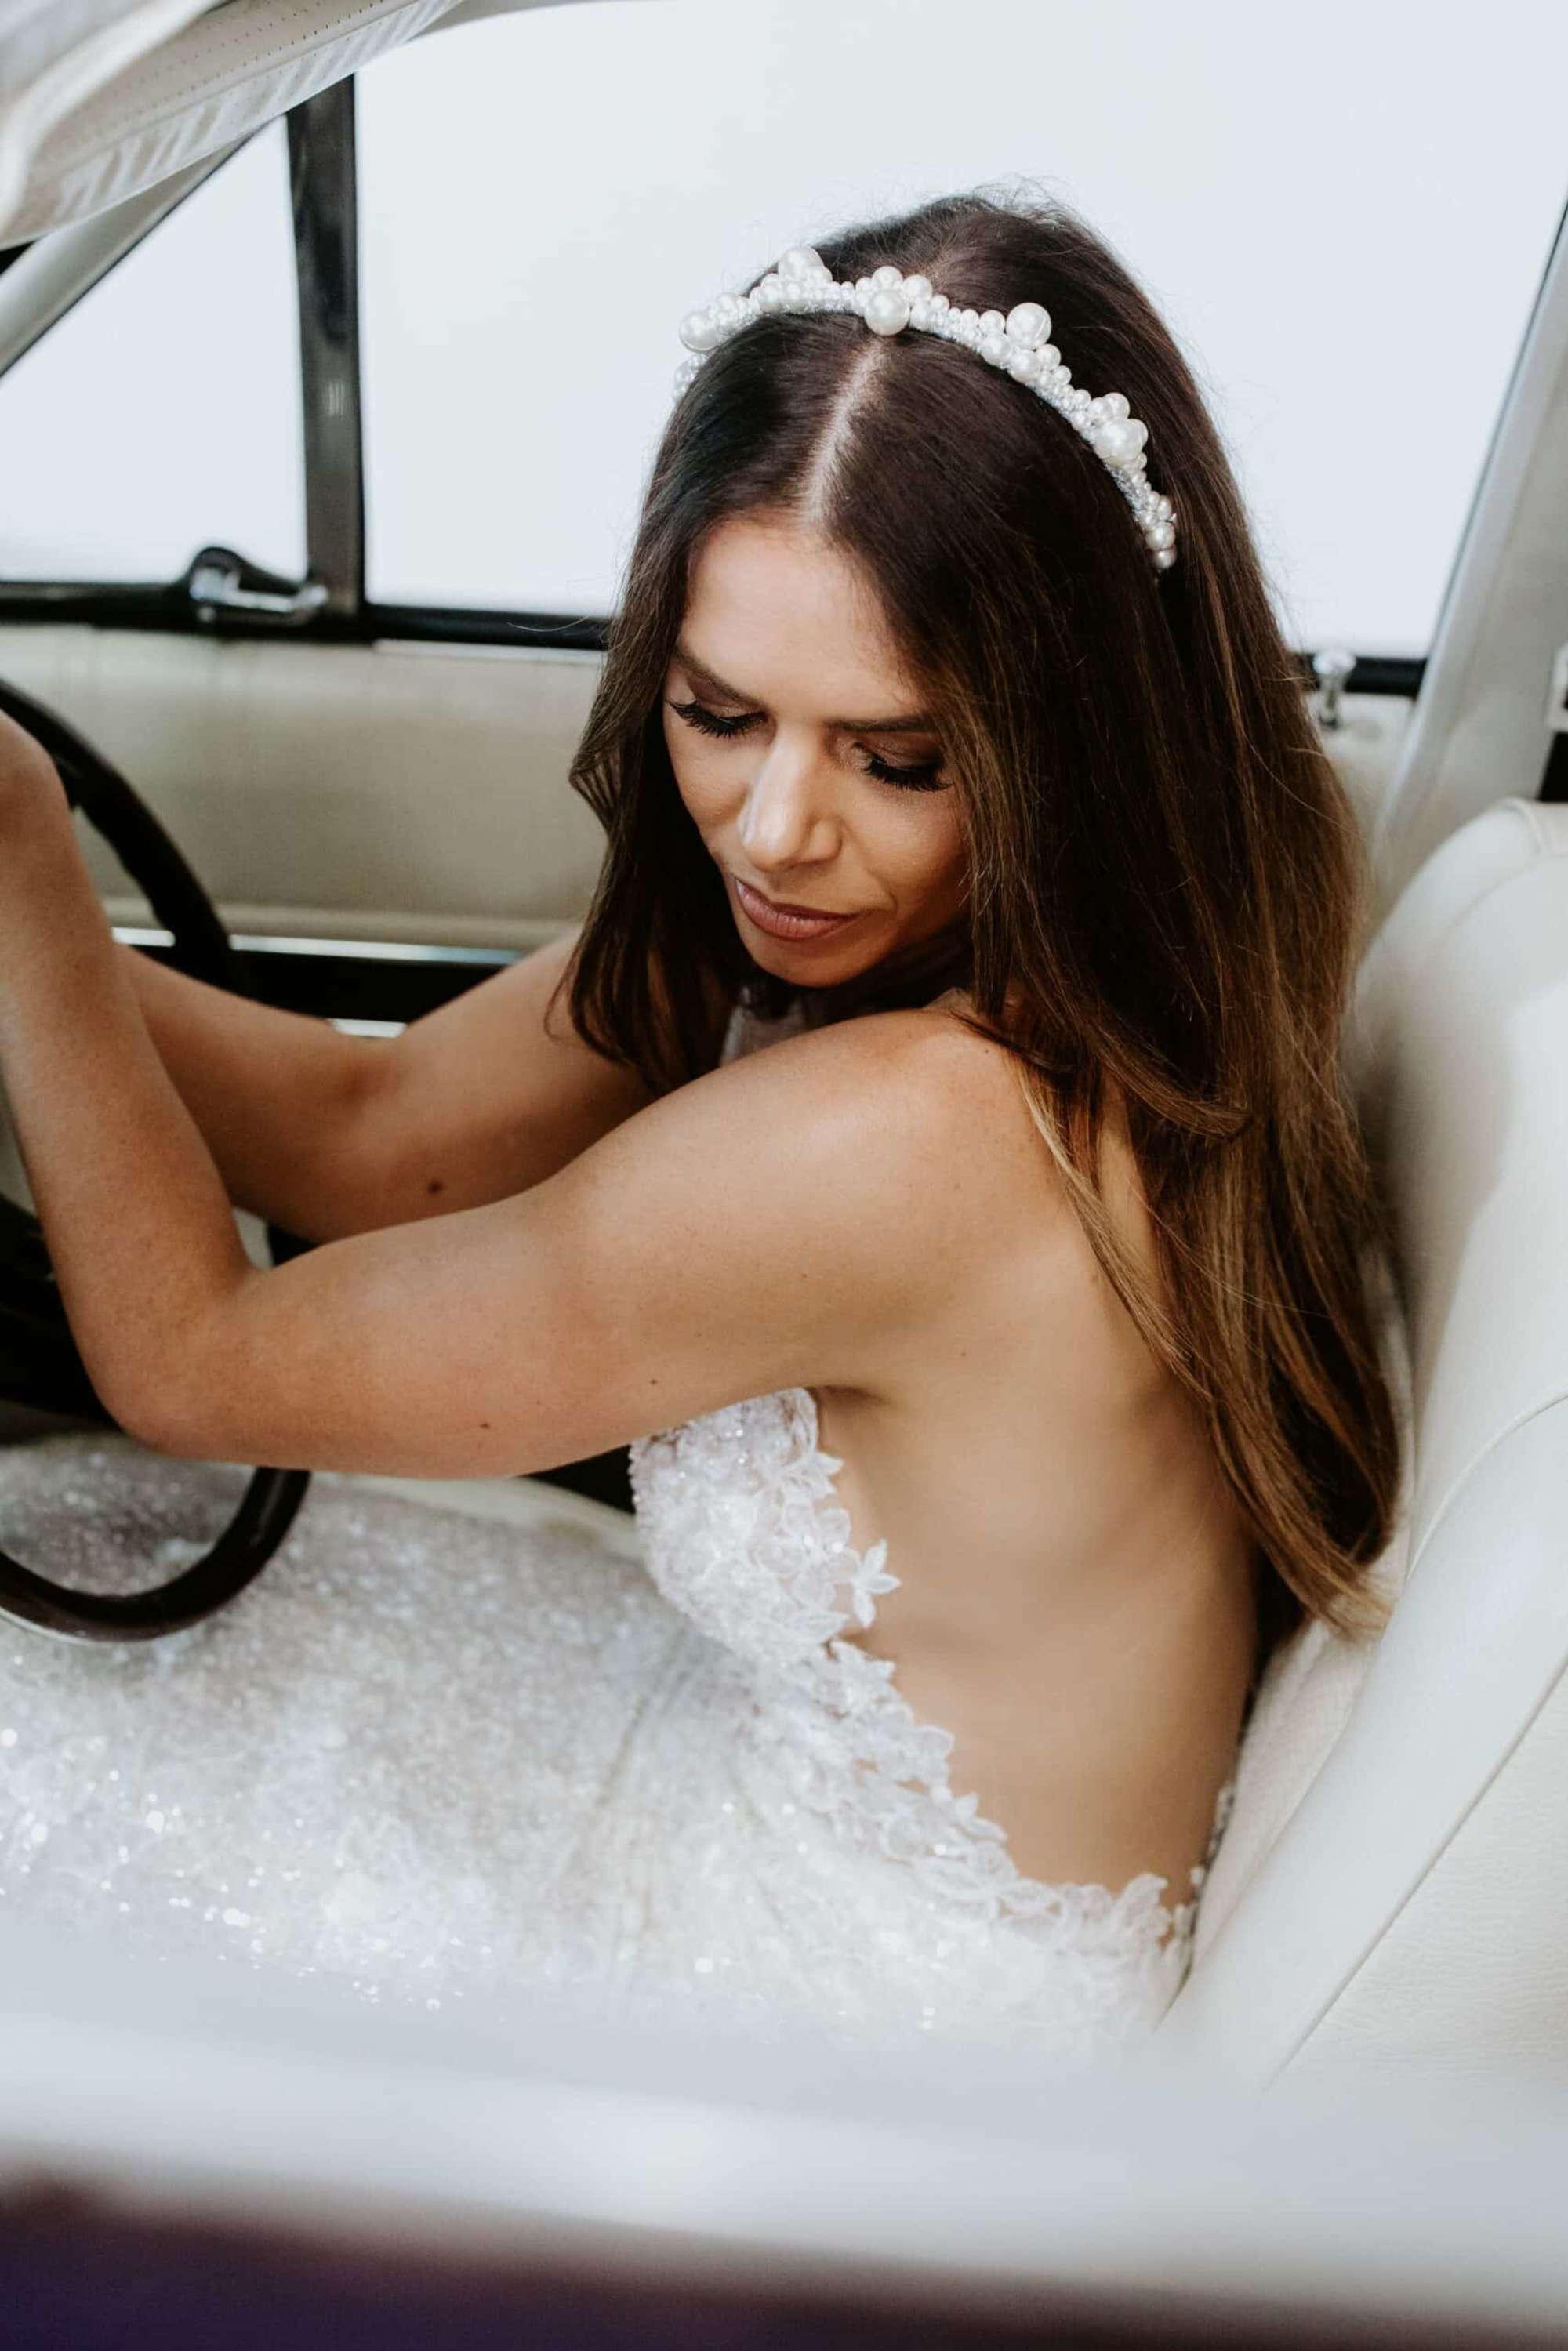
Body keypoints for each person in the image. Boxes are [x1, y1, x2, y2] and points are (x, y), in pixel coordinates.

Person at [0, 188, 1403, 2061]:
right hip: (737, 1776)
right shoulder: (914, 938)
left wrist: (21, 854)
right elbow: (371, 1128)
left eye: (897, 758)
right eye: (715, 712)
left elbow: (195, 1359)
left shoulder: (909, 1146)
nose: (774, 829)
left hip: (868, 2030)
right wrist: (28, 961)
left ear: (1066, 745)